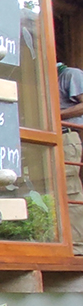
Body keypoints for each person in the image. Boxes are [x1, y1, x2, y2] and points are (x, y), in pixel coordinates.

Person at [60, 62, 83, 254]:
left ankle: (77, 246)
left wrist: (54, 115)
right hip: (50, 136)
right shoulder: (39, 80)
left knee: (71, 189)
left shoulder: (70, 74)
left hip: (66, 136)